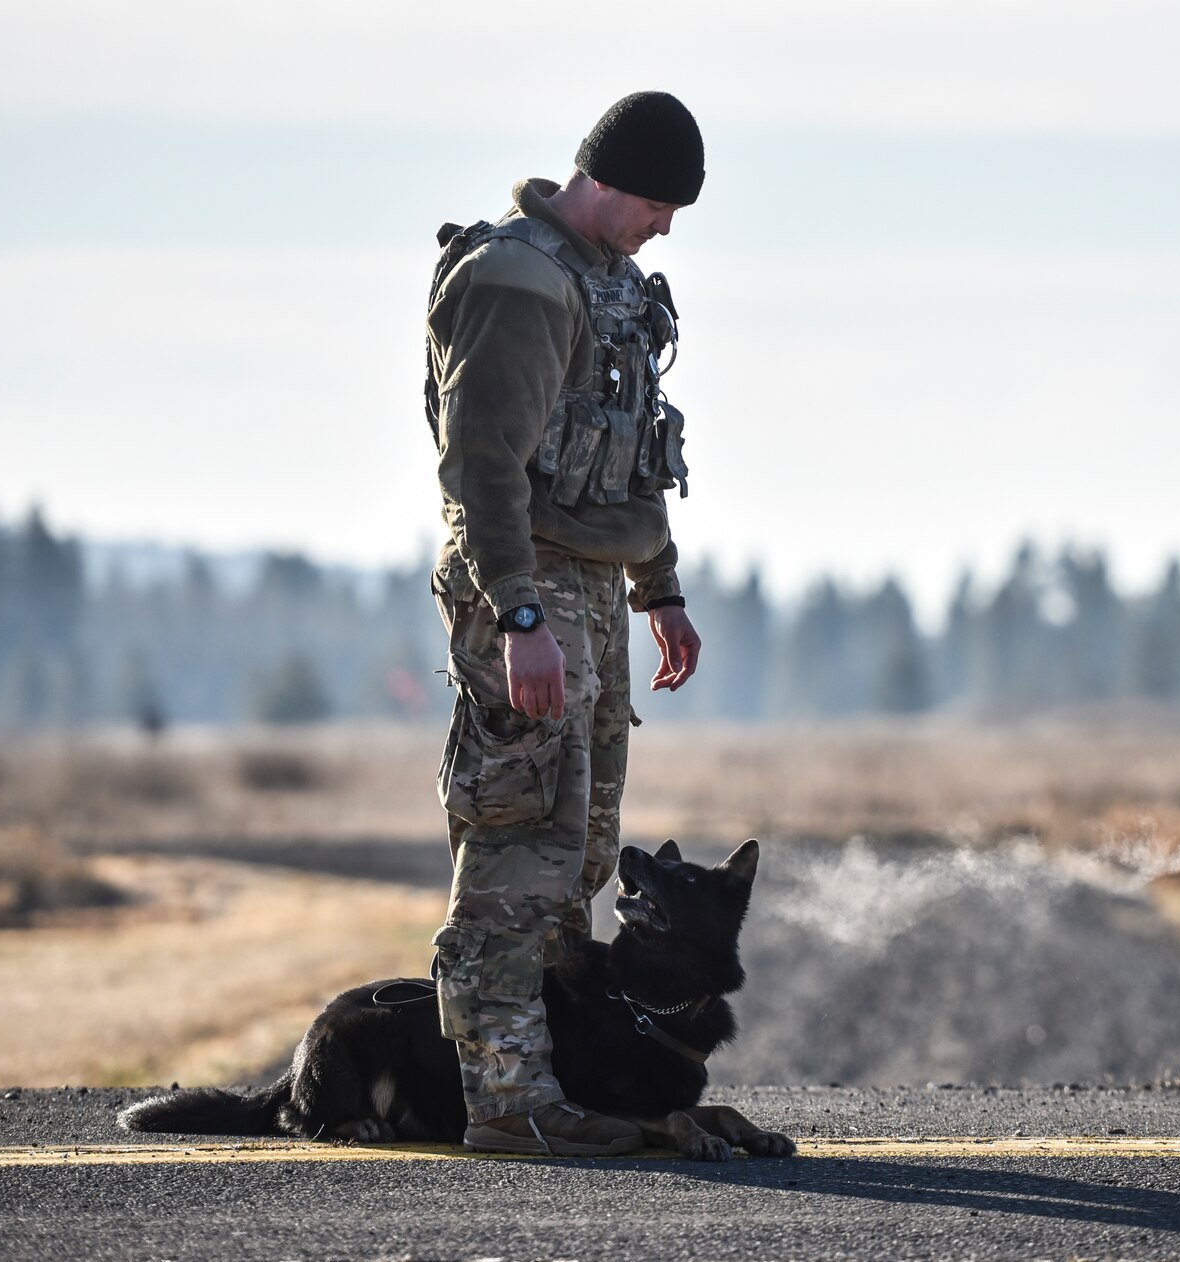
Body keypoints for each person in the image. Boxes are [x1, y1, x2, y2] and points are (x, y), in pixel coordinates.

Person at [425, 91, 705, 1156]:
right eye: (659, 202)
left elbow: (631, 451)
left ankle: (550, 1081)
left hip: (590, 587)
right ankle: (504, 1099)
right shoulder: (515, 277)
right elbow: (479, 465)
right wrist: (519, 611)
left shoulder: (608, 281)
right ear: (609, 179)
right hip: (526, 585)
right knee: (517, 840)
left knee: (578, 849)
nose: (666, 226)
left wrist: (660, 588)